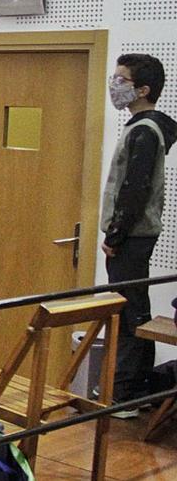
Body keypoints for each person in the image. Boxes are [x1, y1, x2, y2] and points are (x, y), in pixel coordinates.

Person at [101, 53, 173, 419]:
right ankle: (138, 389)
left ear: (143, 90)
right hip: (134, 237)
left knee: (128, 312)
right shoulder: (143, 127)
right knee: (135, 308)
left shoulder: (145, 130)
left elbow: (134, 190)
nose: (114, 84)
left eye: (121, 79)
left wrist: (115, 235)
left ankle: (125, 394)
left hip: (132, 238)